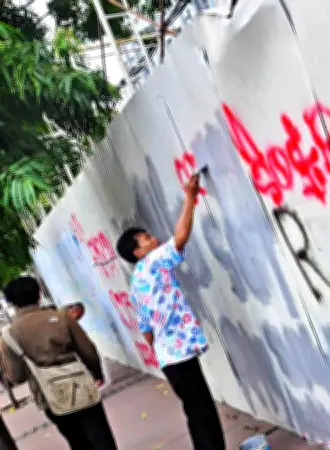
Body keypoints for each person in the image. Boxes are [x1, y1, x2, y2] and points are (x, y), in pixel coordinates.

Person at [115, 173, 225, 450]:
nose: (153, 238)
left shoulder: (136, 281)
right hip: (178, 356)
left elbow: (146, 330)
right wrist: (190, 197)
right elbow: (181, 237)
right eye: (146, 238)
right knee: (202, 414)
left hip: (170, 357)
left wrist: (165, 345)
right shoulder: (153, 262)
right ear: (138, 252)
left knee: (198, 412)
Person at [0, 277, 116, 449]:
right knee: (101, 437)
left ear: (11, 303)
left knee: (77, 441)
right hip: (80, 385)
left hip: (49, 395)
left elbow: (16, 377)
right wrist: (97, 373)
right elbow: (88, 351)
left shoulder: (9, 335)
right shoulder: (61, 318)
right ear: (39, 294)